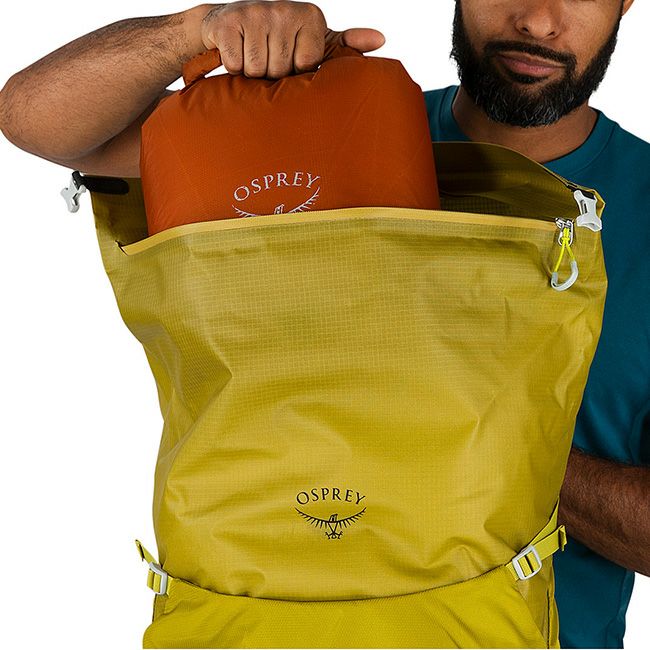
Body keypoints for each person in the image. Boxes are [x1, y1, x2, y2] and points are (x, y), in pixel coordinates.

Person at [0, 1, 647, 647]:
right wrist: (194, 32)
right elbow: (34, 119)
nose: (538, 20)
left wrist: (476, 446)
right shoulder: (335, 125)